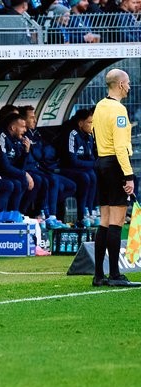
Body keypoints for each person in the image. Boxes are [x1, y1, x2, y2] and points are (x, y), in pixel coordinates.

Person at [91, 69, 140, 287]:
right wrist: (128, 176)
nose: (129, 86)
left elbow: (93, 133)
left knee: (104, 219)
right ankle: (115, 275)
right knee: (117, 220)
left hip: (101, 163)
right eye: (127, 83)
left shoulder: (100, 106)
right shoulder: (119, 111)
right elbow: (121, 147)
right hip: (115, 165)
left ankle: (99, 275)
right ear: (120, 85)